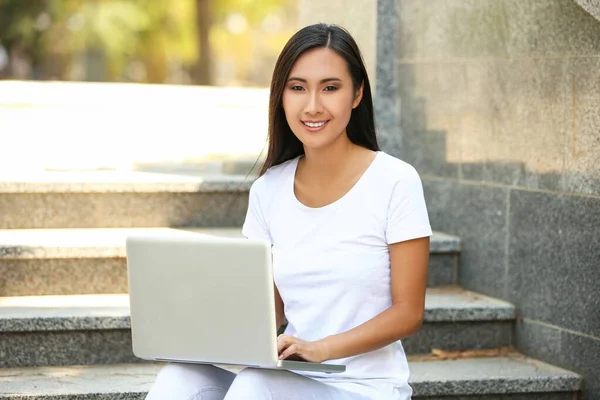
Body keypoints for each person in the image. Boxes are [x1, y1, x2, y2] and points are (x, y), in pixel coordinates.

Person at [146, 23, 431, 400]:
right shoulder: (269, 190)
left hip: (365, 389)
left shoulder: (396, 181)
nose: (313, 105)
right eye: (298, 88)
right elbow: (265, 311)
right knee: (178, 378)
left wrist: (321, 349)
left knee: (254, 385)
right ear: (281, 96)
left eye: (330, 87)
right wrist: (196, 322)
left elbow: (409, 313)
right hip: (289, 378)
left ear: (357, 93)